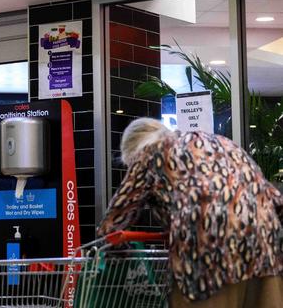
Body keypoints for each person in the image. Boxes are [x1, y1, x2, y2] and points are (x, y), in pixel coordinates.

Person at [99, 117, 283, 307]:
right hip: (265, 245)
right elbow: (276, 199)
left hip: (207, 250)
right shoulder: (223, 143)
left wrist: (120, 259)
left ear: (133, 151)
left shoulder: (150, 151)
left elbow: (111, 224)